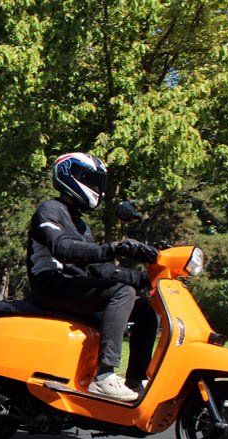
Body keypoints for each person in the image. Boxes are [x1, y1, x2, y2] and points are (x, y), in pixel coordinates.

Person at [27, 153, 159, 401]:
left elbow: (101, 269)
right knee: (122, 293)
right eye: (93, 181)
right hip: (50, 285)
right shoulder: (50, 210)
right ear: (71, 176)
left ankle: (135, 380)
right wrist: (114, 248)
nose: (99, 190)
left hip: (73, 287)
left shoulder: (81, 225)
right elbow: (61, 248)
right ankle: (104, 376)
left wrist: (145, 278)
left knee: (144, 309)